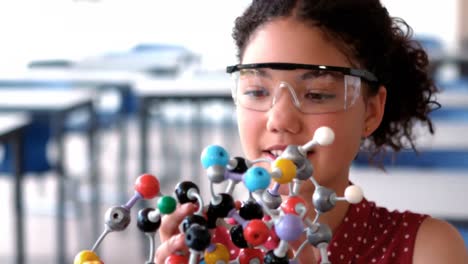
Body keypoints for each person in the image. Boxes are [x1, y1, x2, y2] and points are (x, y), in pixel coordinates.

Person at [156, 0, 468, 263]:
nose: (279, 120)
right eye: (256, 91)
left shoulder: (426, 249)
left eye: (317, 94)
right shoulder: (215, 246)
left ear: (370, 111)